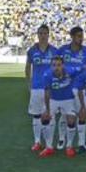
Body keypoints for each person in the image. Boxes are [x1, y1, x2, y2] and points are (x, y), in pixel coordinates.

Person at [55, 26, 86, 150]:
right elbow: (55, 65)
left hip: (81, 88)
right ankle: (61, 138)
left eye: (82, 36)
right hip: (65, 87)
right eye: (78, 36)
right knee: (65, 115)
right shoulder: (62, 50)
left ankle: (81, 142)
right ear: (72, 37)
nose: (81, 38)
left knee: (81, 115)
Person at [25, 24, 58, 152]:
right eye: (40, 33)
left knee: (50, 115)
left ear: (48, 35)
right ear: (37, 35)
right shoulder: (32, 50)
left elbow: (58, 68)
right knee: (36, 115)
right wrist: (29, 84)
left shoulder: (55, 51)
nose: (43, 36)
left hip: (50, 88)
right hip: (36, 87)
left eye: (45, 33)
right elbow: (28, 68)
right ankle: (37, 142)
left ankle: (49, 144)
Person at [40, 56, 78, 158]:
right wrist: (47, 110)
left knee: (71, 120)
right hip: (53, 99)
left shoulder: (70, 71)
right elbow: (47, 93)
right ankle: (49, 147)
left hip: (68, 99)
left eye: (59, 65)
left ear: (63, 65)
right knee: (44, 117)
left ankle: (69, 146)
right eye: (54, 65)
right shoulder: (47, 75)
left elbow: (83, 68)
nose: (56, 67)